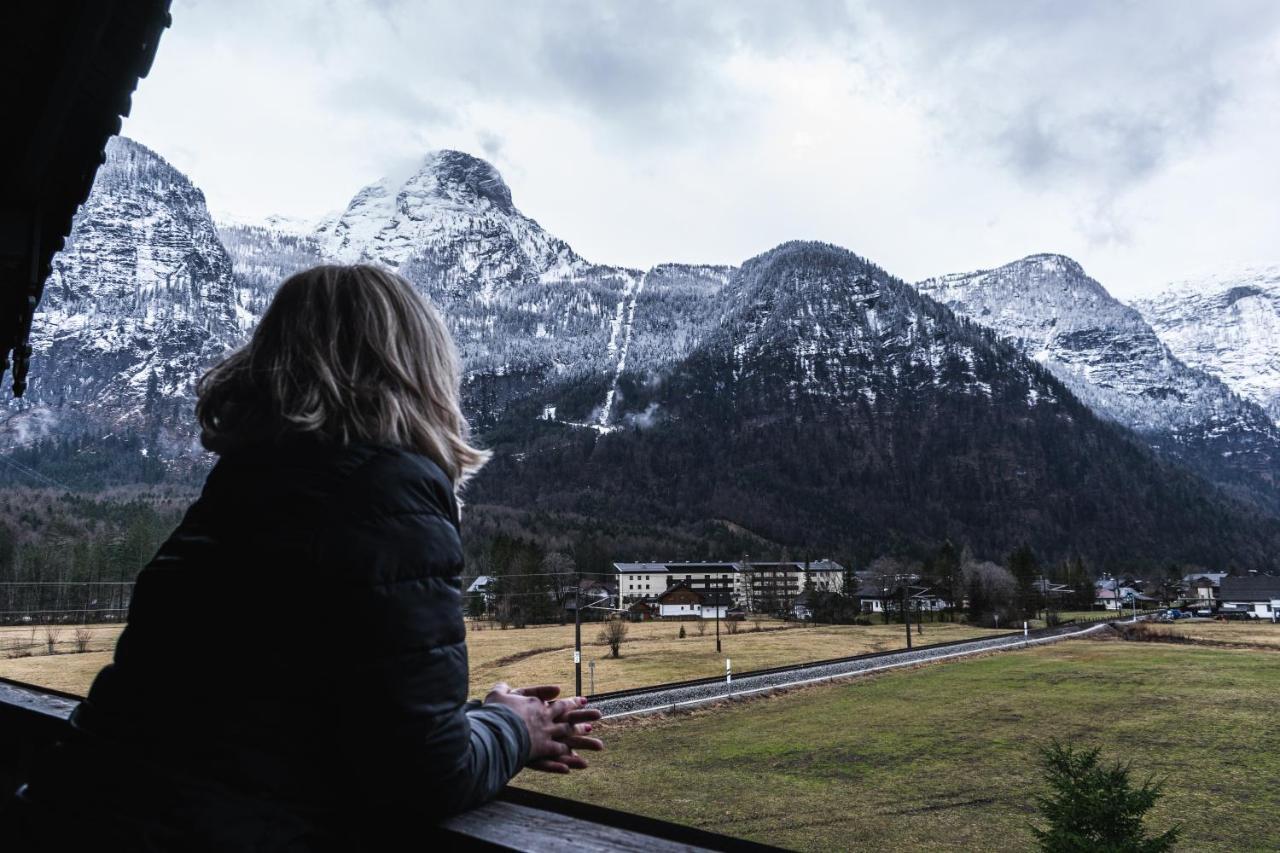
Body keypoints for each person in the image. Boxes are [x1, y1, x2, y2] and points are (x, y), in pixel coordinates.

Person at [5, 264, 604, 850]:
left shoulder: (244, 486)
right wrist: (513, 726)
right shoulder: (388, 492)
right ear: (417, 369)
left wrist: (473, 721)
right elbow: (423, 772)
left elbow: (279, 710)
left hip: (68, 813)